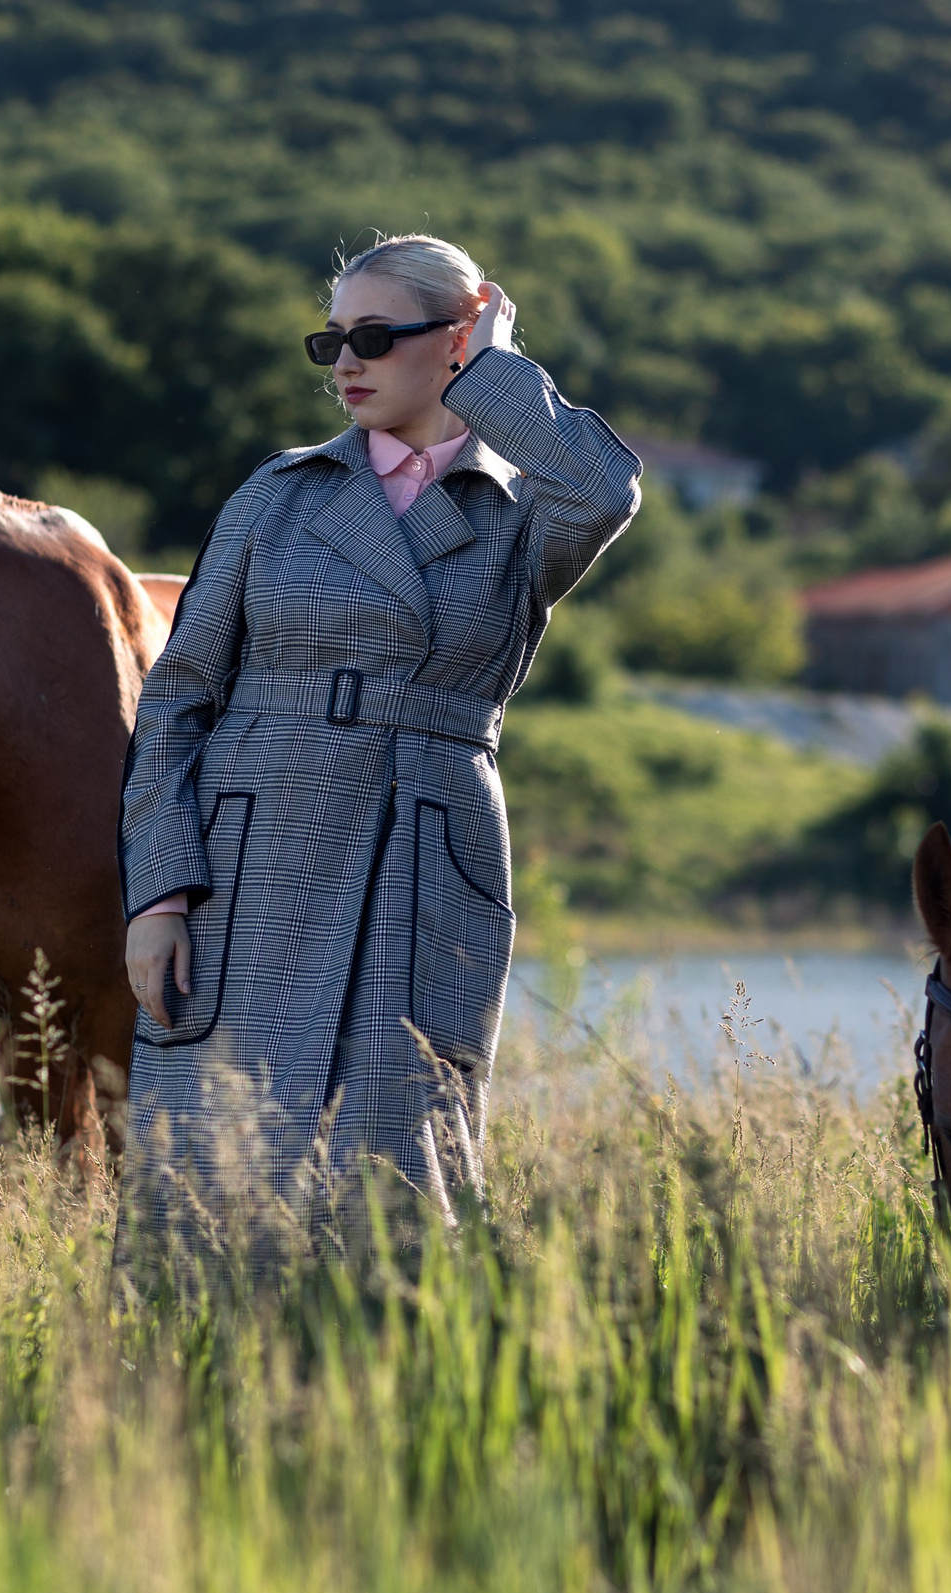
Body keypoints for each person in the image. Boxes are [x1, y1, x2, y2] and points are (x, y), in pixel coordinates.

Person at [119, 233, 640, 1253]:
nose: (345, 363)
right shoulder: (275, 496)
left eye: (372, 336)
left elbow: (607, 489)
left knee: (402, 1177)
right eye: (330, 343)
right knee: (210, 1172)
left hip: (426, 852)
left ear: (458, 336)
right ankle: (181, 1387)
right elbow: (176, 701)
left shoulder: (522, 509)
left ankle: (392, 1381)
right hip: (247, 858)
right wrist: (158, 893)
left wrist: (494, 370)